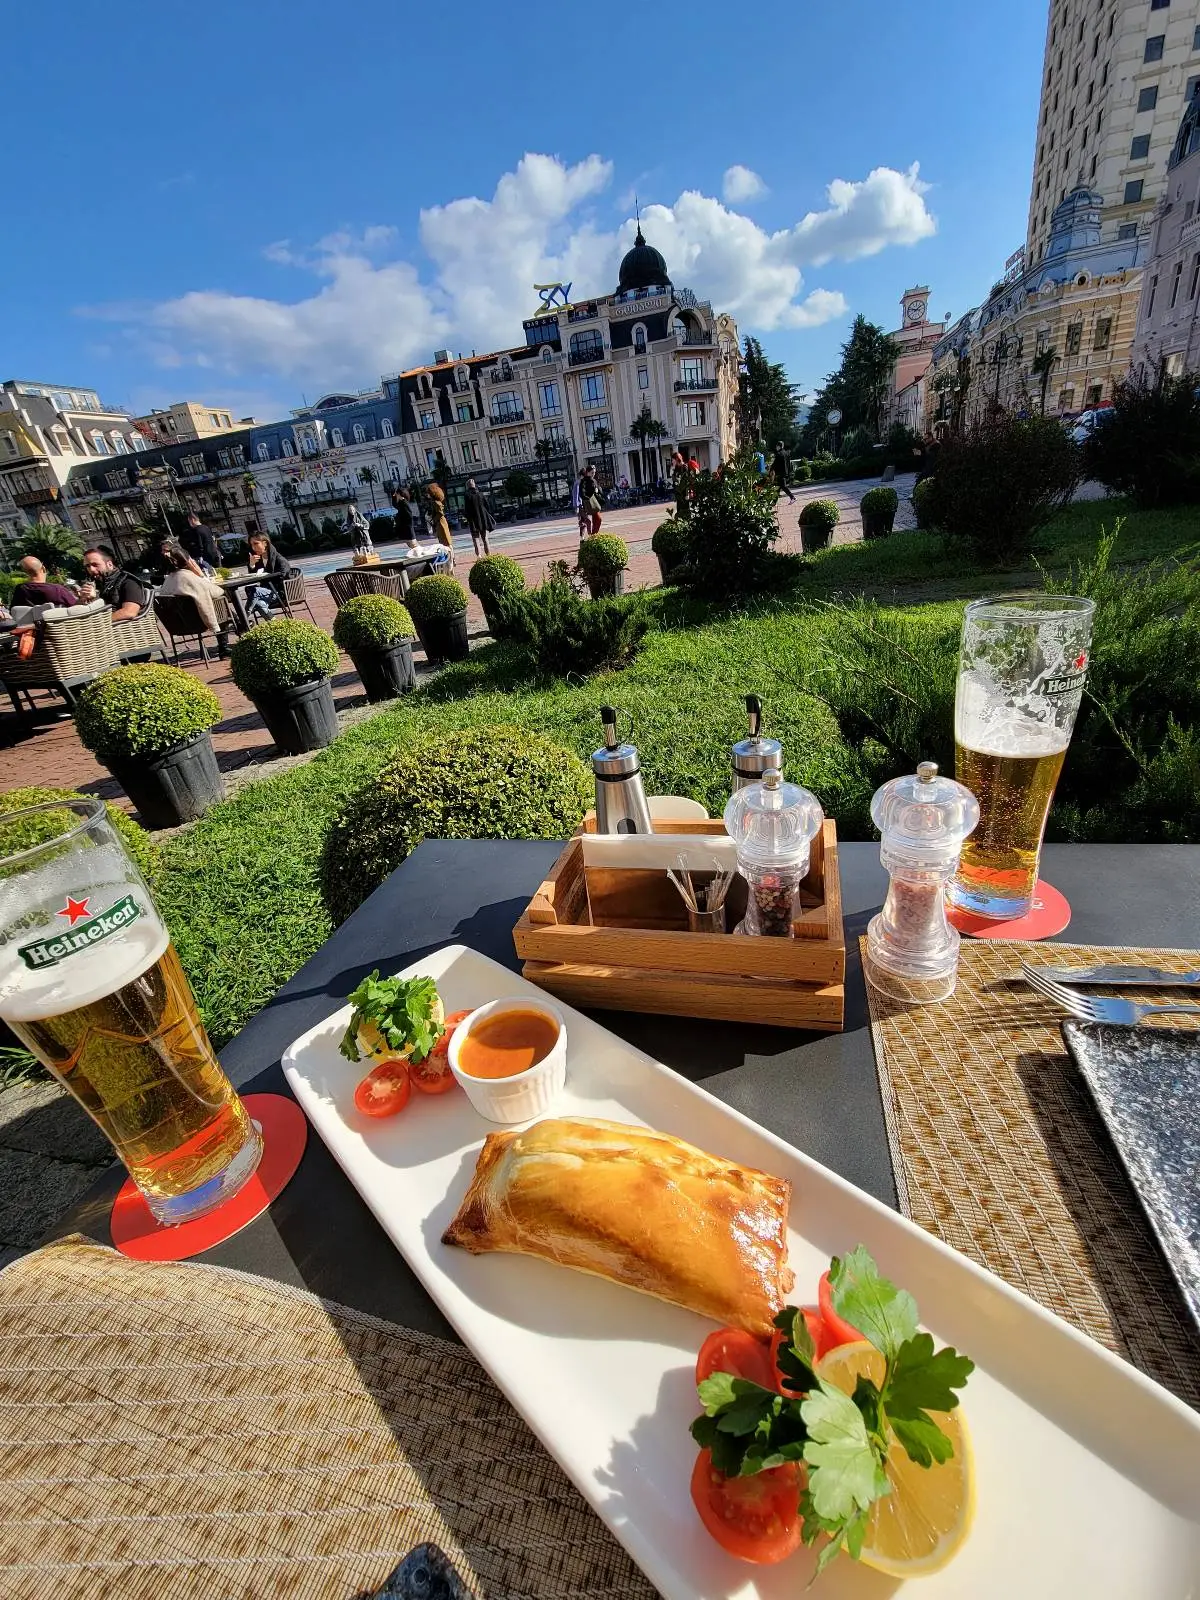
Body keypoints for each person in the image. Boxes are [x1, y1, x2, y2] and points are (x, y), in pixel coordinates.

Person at [158, 540, 231, 658]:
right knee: (222, 607)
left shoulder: (168, 580)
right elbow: (217, 591)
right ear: (187, 561)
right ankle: (225, 646)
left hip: (177, 624)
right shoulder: (189, 577)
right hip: (198, 622)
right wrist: (200, 575)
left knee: (220, 607)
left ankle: (240, 624)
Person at [79, 547, 148, 622]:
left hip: (123, 627)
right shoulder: (97, 584)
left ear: (109, 564)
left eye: (95, 564)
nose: (91, 569)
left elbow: (129, 612)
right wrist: (83, 599)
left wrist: (97, 623)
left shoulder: (128, 582)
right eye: (87, 566)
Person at [245, 533, 293, 625]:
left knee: (254, 591)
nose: (253, 547)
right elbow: (254, 577)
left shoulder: (279, 559)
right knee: (258, 602)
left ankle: (243, 620)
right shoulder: (259, 560)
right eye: (251, 545)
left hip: (279, 592)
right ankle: (275, 625)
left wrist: (266, 576)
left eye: (256, 543)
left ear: (265, 543)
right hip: (266, 592)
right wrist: (252, 565)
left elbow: (283, 574)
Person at [9, 556, 78, 610]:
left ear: (25, 573)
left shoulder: (20, 590)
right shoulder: (58, 590)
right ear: (44, 568)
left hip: (30, 624)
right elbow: (76, 607)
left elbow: (13, 611)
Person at [462, 478, 495, 558]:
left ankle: (479, 556)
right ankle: (488, 555)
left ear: (467, 486)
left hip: (473, 520)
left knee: (476, 539)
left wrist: (466, 517)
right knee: (485, 538)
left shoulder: (467, 496)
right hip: (483, 519)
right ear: (474, 485)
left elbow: (467, 509)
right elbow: (487, 506)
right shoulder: (481, 494)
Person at [425, 482, 454, 567]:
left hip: (441, 524)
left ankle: (451, 560)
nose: (427, 495)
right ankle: (451, 560)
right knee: (446, 543)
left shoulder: (435, 502)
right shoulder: (435, 502)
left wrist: (433, 519)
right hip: (440, 524)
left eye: (428, 493)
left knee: (446, 543)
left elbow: (440, 513)